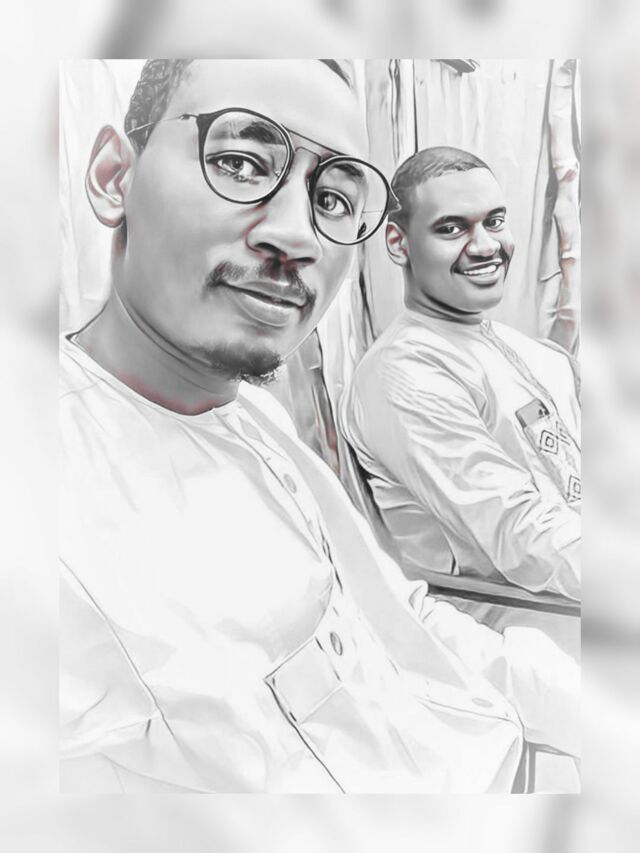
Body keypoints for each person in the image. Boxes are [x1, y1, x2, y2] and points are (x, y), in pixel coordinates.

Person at [60, 62, 578, 794]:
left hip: (495, 745)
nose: (297, 236)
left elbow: (398, 616)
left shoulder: (252, 415)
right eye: (240, 163)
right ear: (115, 176)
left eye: (332, 198)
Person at [340, 146, 580, 652]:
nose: (486, 246)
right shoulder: (403, 372)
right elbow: (517, 533)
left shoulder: (536, 355)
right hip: (516, 638)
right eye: (452, 228)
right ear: (398, 242)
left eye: (494, 221)